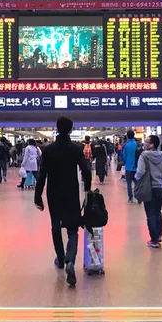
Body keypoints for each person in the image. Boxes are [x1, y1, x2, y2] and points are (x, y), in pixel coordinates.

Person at [35, 117, 92, 286]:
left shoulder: (48, 149)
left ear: (56, 129)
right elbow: (86, 172)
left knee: (55, 226)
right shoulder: (76, 148)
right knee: (73, 228)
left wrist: (37, 196)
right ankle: (70, 261)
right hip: (71, 193)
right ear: (71, 130)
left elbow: (42, 174)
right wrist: (87, 189)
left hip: (53, 193)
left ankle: (60, 259)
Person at [135, 135, 162, 248]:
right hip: (160, 188)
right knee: (157, 211)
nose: (144, 144)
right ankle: (159, 234)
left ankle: (154, 240)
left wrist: (136, 179)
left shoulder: (144, 156)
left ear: (152, 145)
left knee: (150, 213)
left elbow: (140, 171)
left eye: (146, 142)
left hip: (148, 188)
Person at [122, 130, 139, 203]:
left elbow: (124, 156)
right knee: (137, 181)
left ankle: (130, 198)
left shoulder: (125, 145)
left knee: (128, 183)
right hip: (136, 166)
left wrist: (126, 162)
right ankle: (138, 196)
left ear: (127, 136)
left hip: (128, 166)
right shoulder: (137, 144)